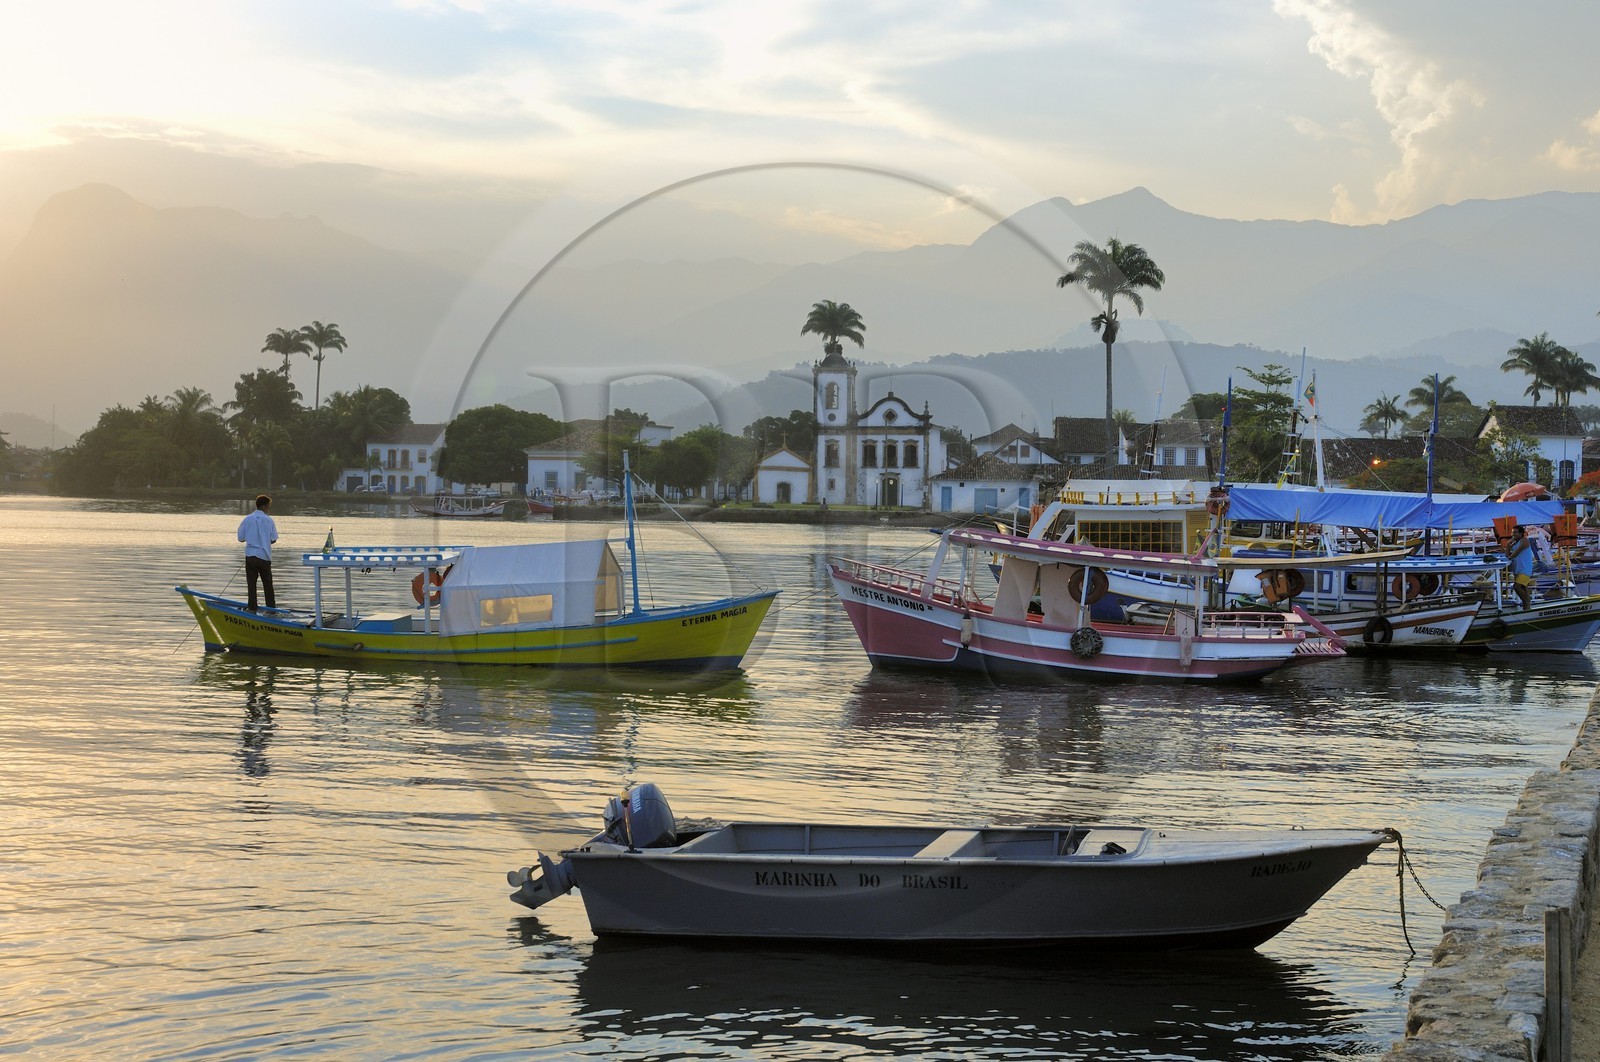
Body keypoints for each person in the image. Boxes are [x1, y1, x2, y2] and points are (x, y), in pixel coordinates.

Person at [238, 494, 279, 611]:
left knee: (251, 585)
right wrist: (264, 541)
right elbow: (273, 539)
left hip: (251, 556)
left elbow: (240, 538)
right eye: (269, 506)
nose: (269, 508)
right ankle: (271, 609)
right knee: (268, 585)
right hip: (264, 556)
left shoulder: (247, 519)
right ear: (265, 506)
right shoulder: (269, 520)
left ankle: (252, 608)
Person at [1506, 524, 1535, 610]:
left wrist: (1510, 556)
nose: (1513, 534)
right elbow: (1507, 554)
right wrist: (1507, 544)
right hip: (1517, 569)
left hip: (1525, 568)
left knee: (1517, 587)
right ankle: (1527, 608)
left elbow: (1516, 553)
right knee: (1524, 587)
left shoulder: (1524, 540)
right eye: (1512, 532)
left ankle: (1525, 602)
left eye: (1515, 532)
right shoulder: (1515, 543)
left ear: (1521, 533)